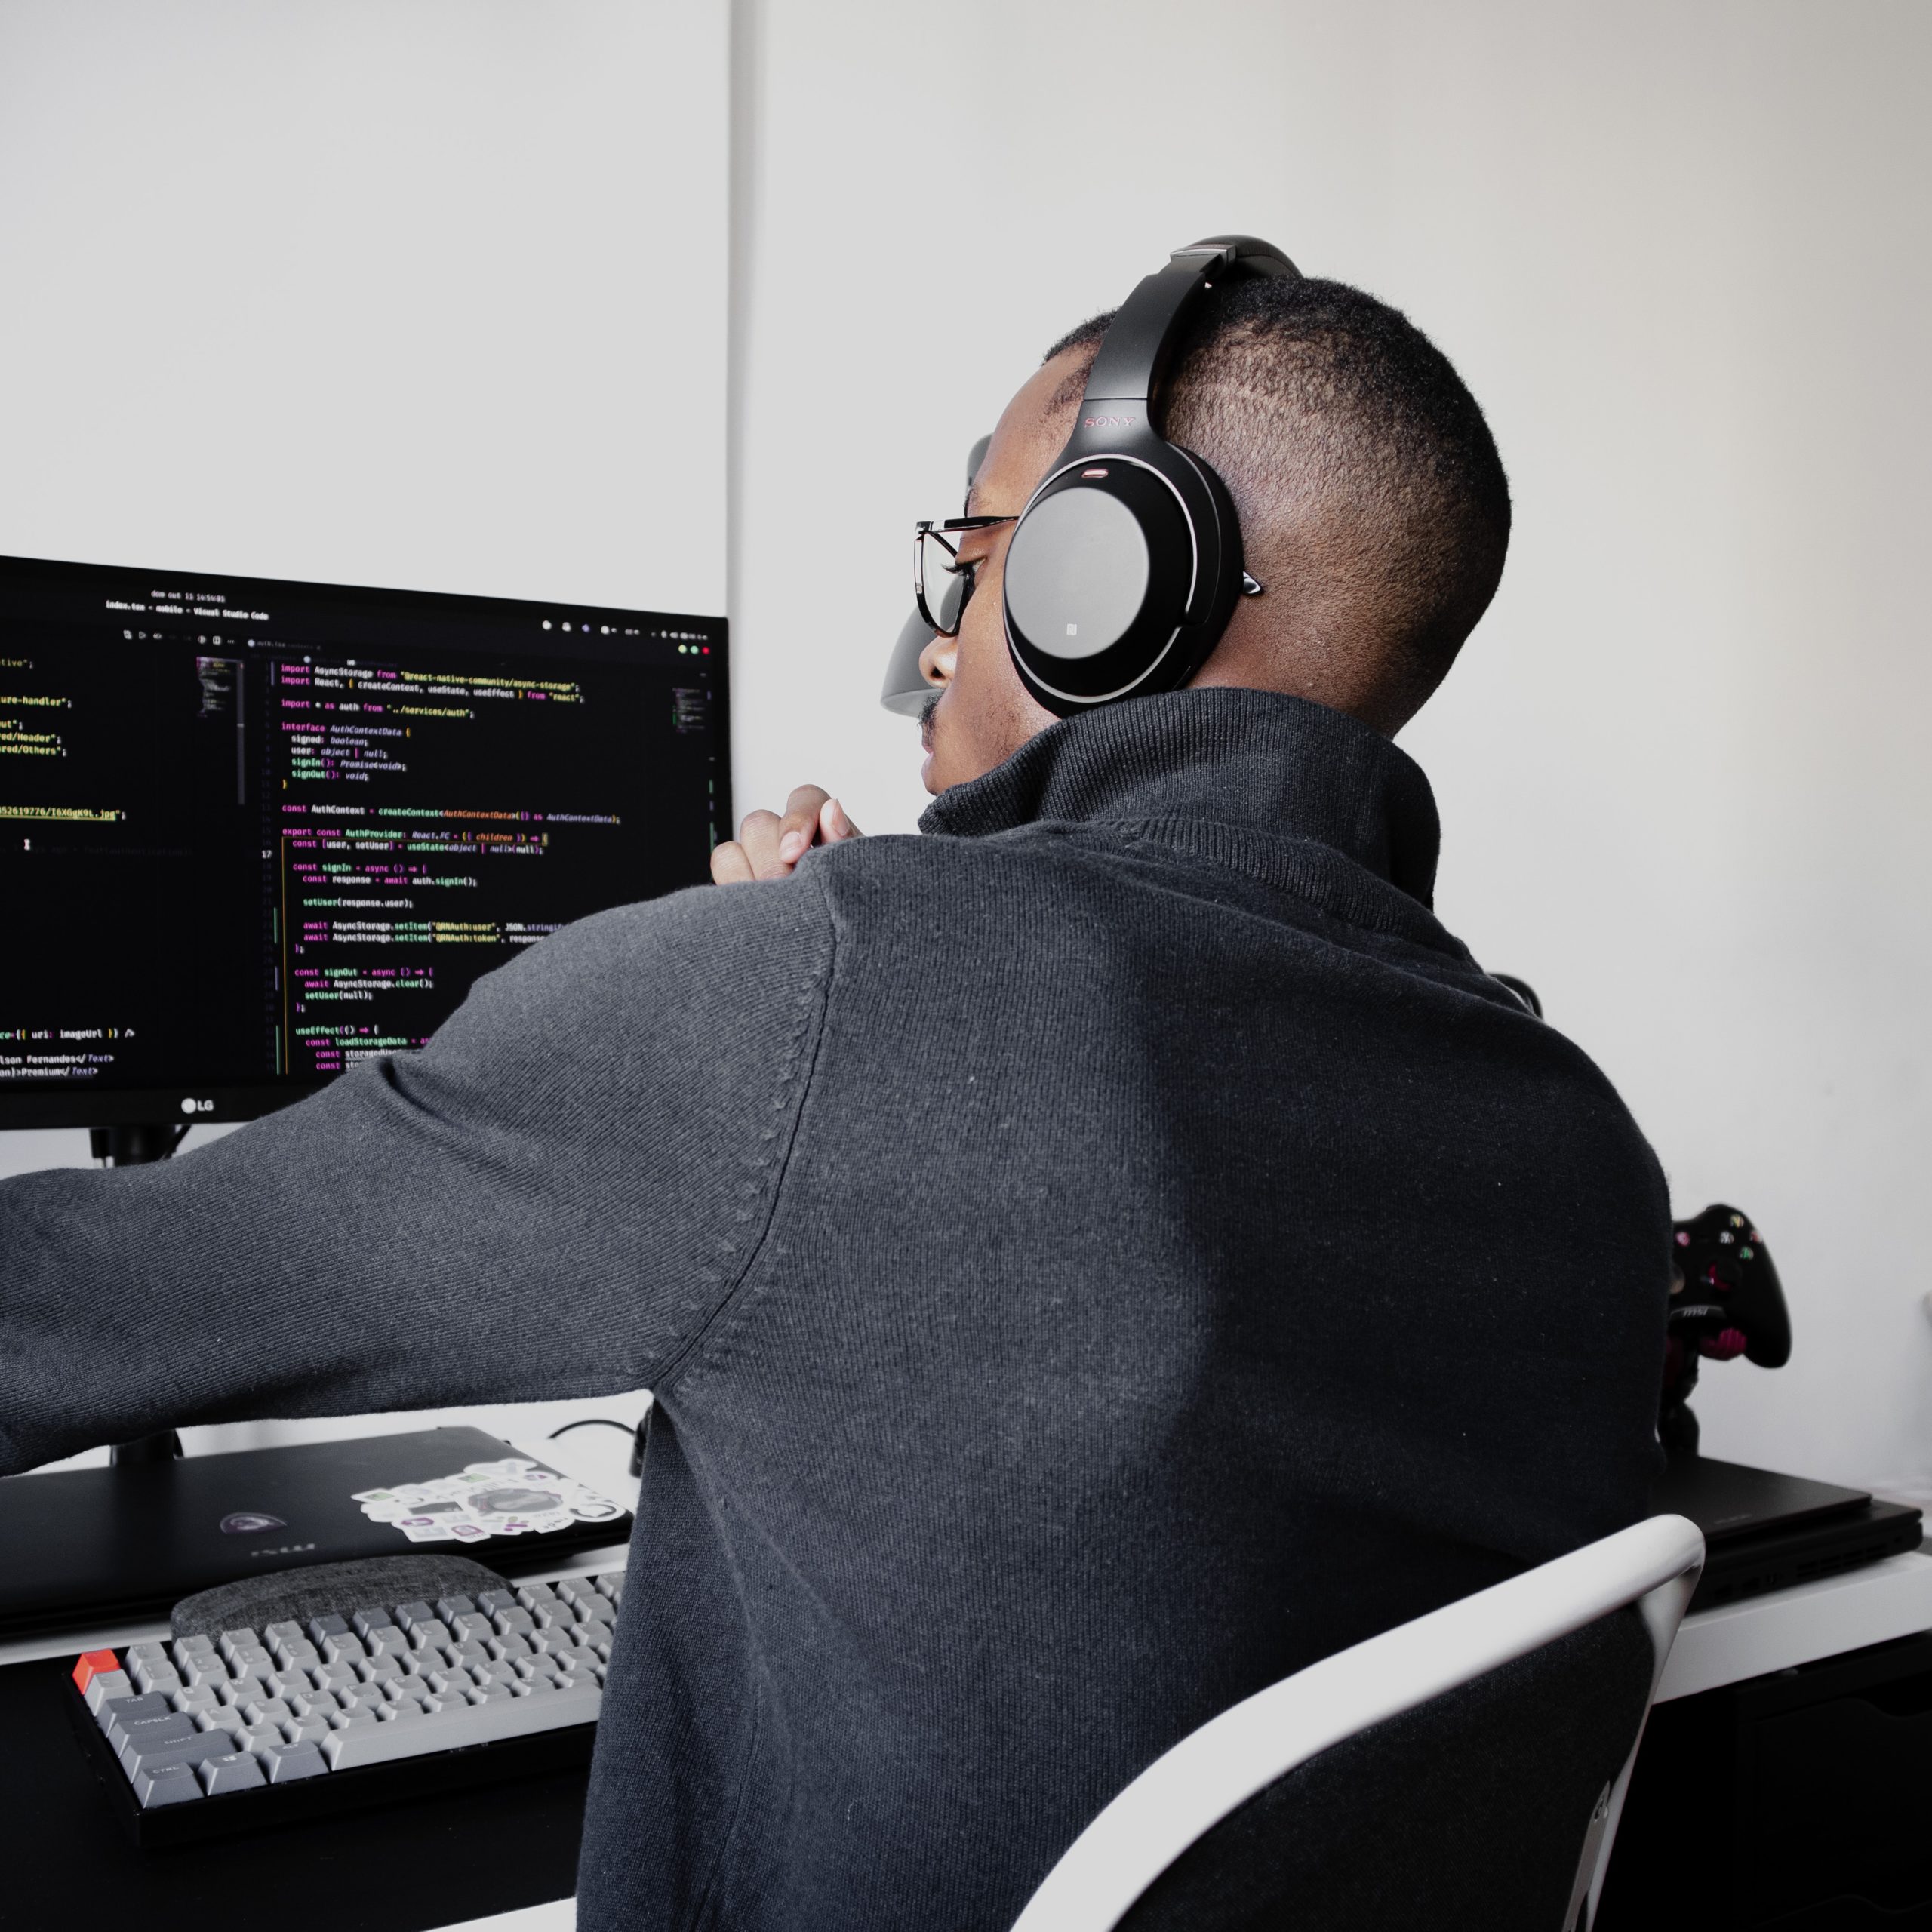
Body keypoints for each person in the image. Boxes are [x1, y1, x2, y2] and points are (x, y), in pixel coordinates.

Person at [0, 271, 1669, 1930]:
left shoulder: (806, 995)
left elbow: (64, 1306)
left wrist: (810, 981)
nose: (936, 634)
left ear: (1119, 570)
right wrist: (891, 972)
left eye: (977, 549)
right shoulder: (1574, 1132)